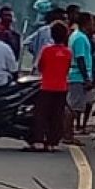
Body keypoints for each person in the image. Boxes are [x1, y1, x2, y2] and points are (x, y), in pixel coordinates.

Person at [27, 21, 71, 151]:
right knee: (57, 116)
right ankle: (52, 142)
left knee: (41, 115)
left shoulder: (46, 50)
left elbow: (40, 67)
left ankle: (39, 140)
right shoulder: (68, 52)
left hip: (46, 87)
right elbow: (67, 69)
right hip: (62, 88)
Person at [66, 11, 95, 144]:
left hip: (77, 76)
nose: (93, 25)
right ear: (86, 23)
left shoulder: (77, 36)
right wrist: (86, 78)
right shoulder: (80, 38)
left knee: (75, 107)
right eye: (92, 23)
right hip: (78, 77)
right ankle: (68, 135)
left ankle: (68, 133)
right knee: (74, 108)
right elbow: (80, 58)